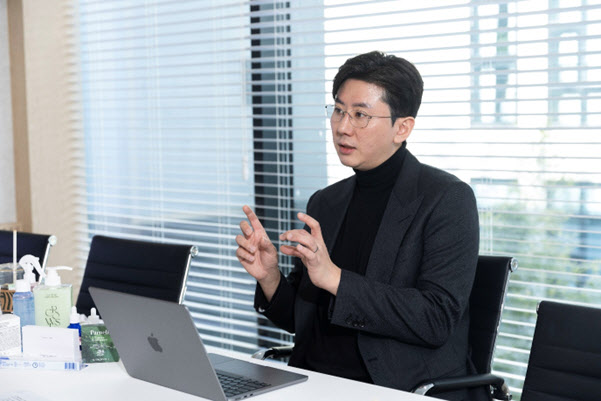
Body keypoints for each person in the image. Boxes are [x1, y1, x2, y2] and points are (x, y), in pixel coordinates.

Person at [235, 51, 486, 401]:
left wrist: (334, 278)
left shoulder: (446, 199)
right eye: (338, 110)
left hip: (393, 387)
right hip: (312, 384)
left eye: (360, 115)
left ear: (402, 127)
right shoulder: (326, 202)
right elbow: (302, 322)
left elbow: (436, 319)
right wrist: (269, 276)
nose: (343, 127)